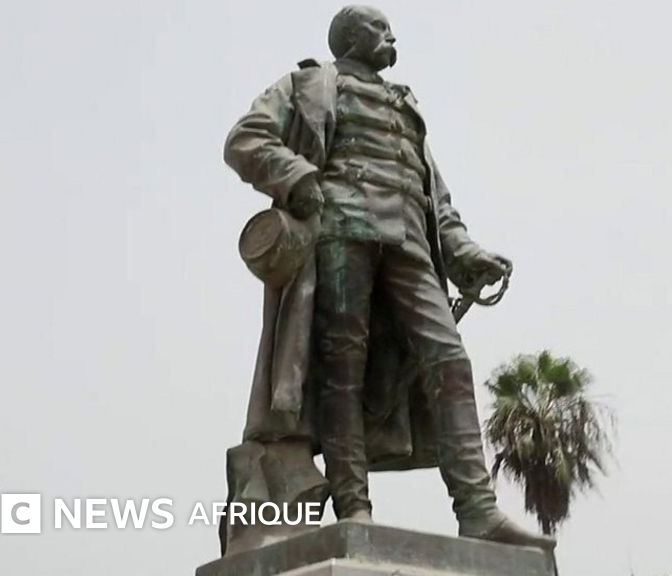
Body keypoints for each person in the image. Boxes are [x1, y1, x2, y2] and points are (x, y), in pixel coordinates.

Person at [224, 5, 555, 551]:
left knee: (449, 360)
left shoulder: (406, 108)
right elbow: (246, 139)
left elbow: (433, 197)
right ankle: (355, 508)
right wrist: (299, 178)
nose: (392, 36)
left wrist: (463, 250)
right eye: (380, 29)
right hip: (338, 235)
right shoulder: (308, 85)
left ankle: (478, 510)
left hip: (410, 246)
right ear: (352, 38)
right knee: (342, 373)